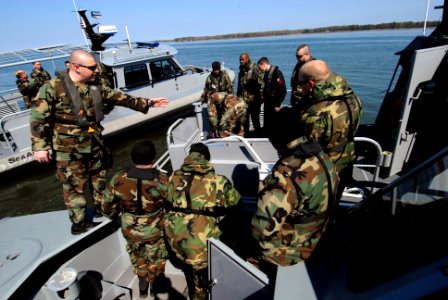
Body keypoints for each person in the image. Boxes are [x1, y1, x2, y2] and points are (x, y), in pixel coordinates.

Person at [30, 49, 169, 235]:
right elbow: (38, 117)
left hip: (94, 143)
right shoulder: (53, 87)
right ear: (77, 67)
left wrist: (148, 103)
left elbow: (120, 97)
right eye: (92, 67)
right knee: (73, 185)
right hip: (68, 148)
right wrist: (40, 147)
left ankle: (100, 208)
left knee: (99, 179)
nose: (97, 70)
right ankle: (79, 223)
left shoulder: (94, 86)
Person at [251, 107, 338, 280]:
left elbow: (262, 229)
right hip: (321, 233)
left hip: (297, 248)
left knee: (242, 252)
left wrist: (269, 256)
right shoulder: (323, 156)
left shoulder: (285, 176)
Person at [164, 143, 240, 300]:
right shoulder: (217, 180)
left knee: (188, 264)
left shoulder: (171, 176)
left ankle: (192, 280)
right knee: (201, 281)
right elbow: (235, 202)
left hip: (173, 239)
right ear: (207, 159)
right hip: (199, 246)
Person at [102, 140, 168, 298]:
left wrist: (115, 213)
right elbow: (173, 204)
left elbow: (106, 206)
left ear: (132, 159)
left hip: (130, 229)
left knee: (137, 255)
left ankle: (142, 282)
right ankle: (155, 285)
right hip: (155, 230)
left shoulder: (119, 179)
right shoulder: (162, 180)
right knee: (156, 257)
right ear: (153, 159)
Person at [298, 59, 362, 201]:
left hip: (325, 171)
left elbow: (309, 149)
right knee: (336, 200)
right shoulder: (353, 98)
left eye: (300, 84)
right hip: (347, 161)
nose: (299, 89)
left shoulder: (316, 114)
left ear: (310, 84)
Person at [257, 57, 287, 135]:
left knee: (274, 121)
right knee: (267, 121)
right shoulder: (267, 74)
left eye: (260, 67)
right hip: (268, 102)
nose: (260, 70)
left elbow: (283, 90)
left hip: (274, 103)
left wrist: (278, 104)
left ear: (263, 64)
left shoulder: (276, 73)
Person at [236, 53, 263, 137]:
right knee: (244, 119)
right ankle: (247, 135)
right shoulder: (242, 70)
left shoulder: (255, 69)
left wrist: (260, 99)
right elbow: (240, 86)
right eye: (240, 59)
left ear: (248, 59)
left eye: (242, 59)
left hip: (254, 100)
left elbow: (261, 84)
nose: (241, 61)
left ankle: (258, 136)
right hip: (244, 100)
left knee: (255, 119)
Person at [290, 44, 316, 112]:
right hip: (297, 101)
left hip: (306, 103)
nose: (297, 58)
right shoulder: (300, 64)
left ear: (307, 54)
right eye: (296, 56)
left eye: (300, 56)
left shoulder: (313, 66)